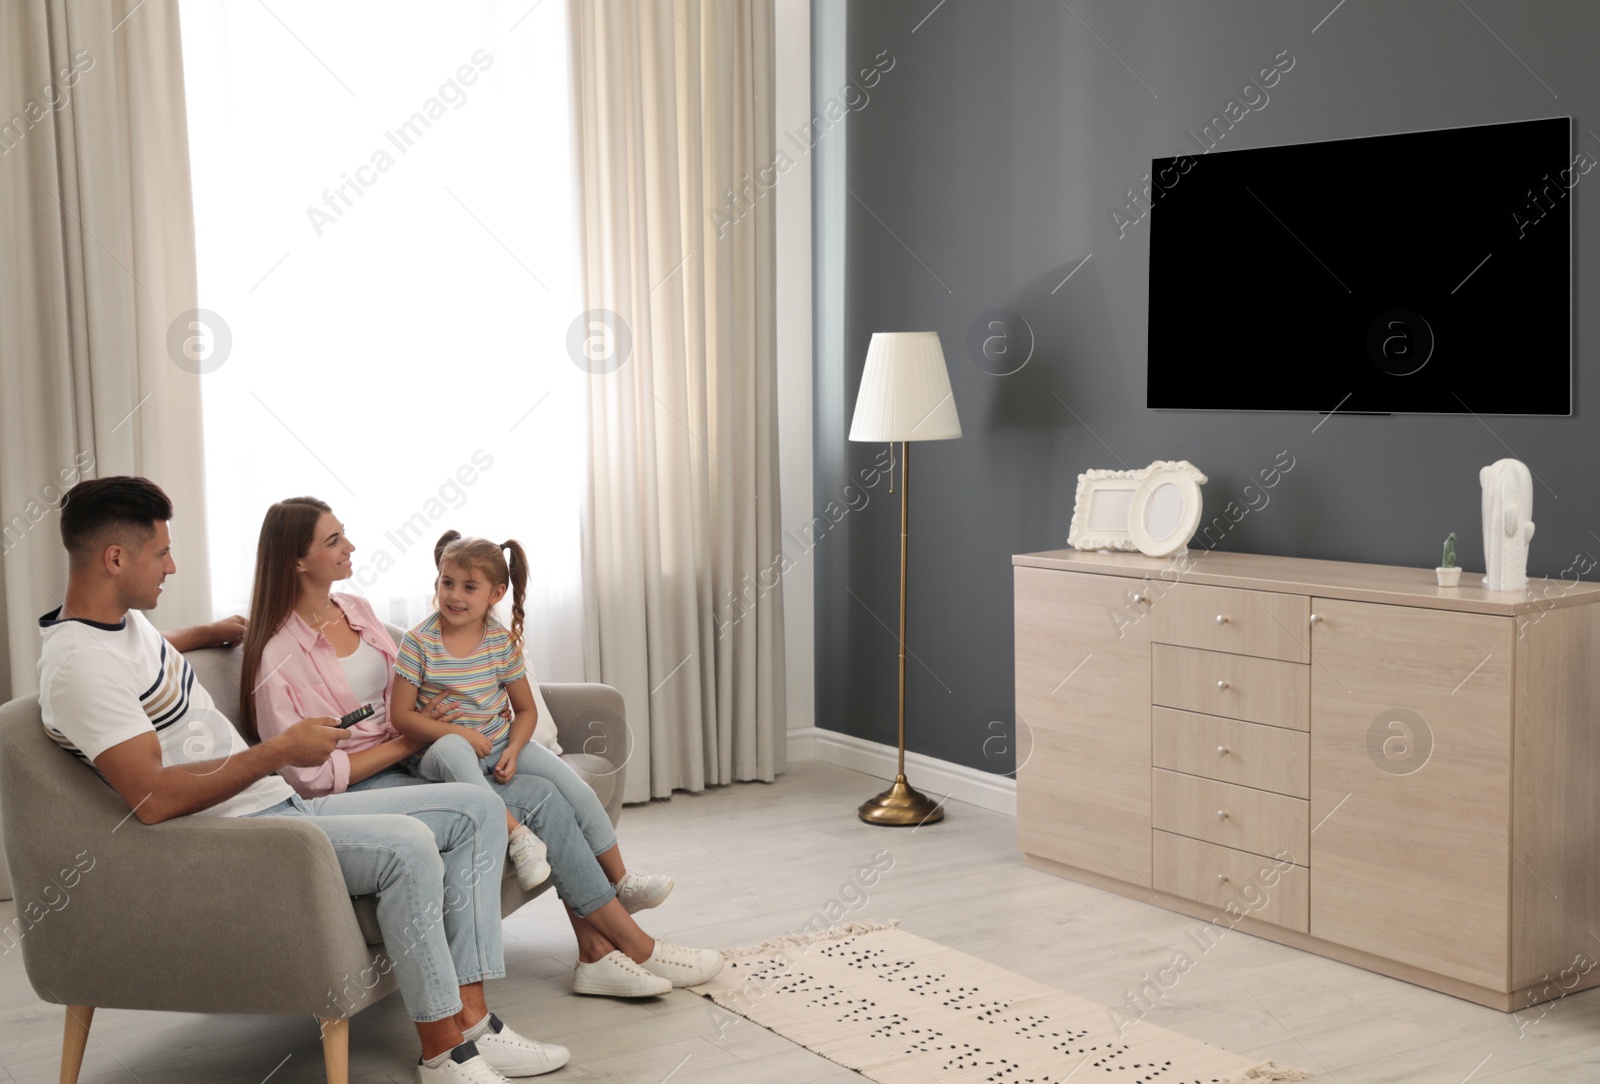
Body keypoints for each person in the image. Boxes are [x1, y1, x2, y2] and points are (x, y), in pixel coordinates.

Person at [37, 477, 568, 1083]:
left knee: (475, 813)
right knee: (411, 848)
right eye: (160, 553)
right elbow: (153, 800)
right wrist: (277, 752)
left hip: (273, 806)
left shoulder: (117, 629)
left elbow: (140, 658)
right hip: (245, 833)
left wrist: (203, 636)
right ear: (115, 559)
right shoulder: (81, 668)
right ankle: (446, 1053)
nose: (172, 565)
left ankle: (471, 1024)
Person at [240, 498, 723, 997]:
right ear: (298, 560)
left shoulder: (356, 610)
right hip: (366, 783)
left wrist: (431, 721)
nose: (351, 546)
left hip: (418, 754)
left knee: (547, 792)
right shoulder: (277, 654)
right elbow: (310, 777)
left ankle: (598, 952)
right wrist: (414, 734)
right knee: (538, 799)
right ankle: (631, 946)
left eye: (345, 534)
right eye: (334, 540)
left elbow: (410, 686)